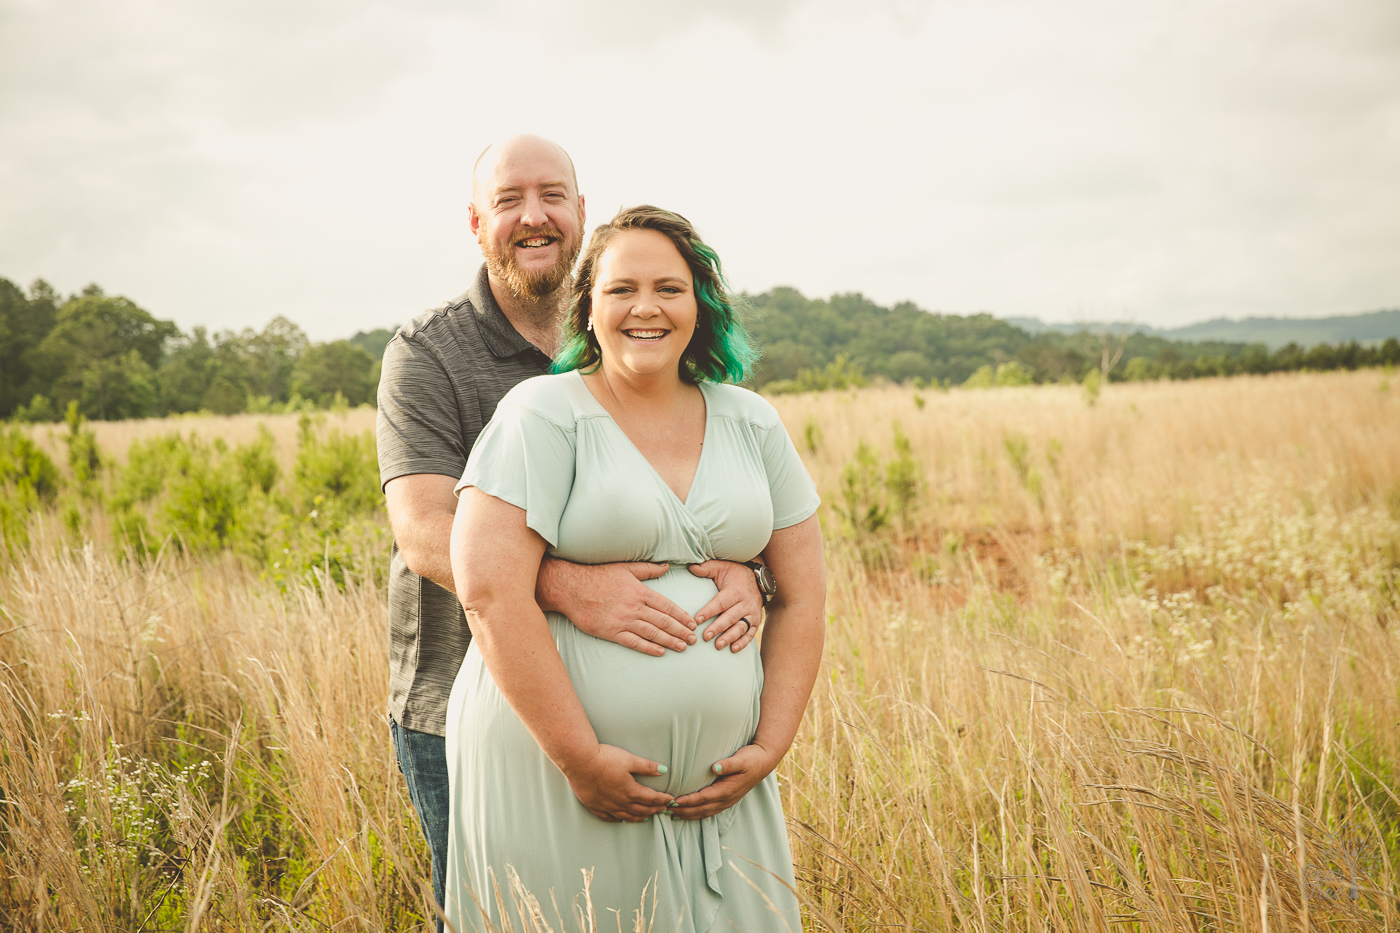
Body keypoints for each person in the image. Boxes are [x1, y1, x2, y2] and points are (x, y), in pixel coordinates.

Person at [375, 136, 766, 929]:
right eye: (510, 200)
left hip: (653, 738)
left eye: (553, 196)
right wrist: (566, 586)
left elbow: (704, 492)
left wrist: (750, 575)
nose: (534, 216)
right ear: (477, 222)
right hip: (463, 695)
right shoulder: (429, 353)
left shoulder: (641, 337)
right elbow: (423, 530)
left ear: (582, 213)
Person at [446, 206, 826, 931]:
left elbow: (804, 596)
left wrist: (769, 745)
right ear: (586, 305)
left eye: (669, 288)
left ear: (700, 305)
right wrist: (580, 757)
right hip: (553, 771)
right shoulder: (541, 414)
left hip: (723, 795)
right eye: (621, 289)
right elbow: (490, 592)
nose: (645, 308)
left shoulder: (752, 421)